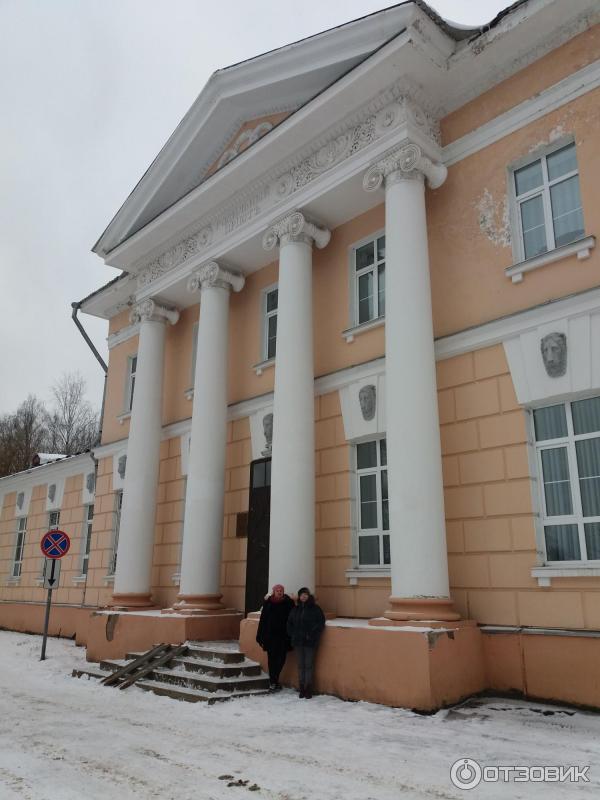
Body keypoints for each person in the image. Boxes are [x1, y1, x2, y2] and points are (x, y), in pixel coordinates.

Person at [286, 587, 326, 699]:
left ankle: (308, 688)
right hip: (298, 642)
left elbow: (320, 623)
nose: (303, 596)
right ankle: (302, 687)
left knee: (308, 665)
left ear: (309, 596)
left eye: (305, 594)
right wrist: (293, 634)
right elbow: (289, 623)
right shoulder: (296, 609)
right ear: (299, 597)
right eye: (301, 595)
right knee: (300, 665)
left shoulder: (315, 609)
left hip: (310, 642)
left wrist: (312, 634)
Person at [256, 584, 294, 691]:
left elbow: (293, 619)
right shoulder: (268, 603)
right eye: (277, 590)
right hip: (270, 637)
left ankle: (274, 679)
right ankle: (273, 681)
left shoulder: (288, 603)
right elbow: (263, 620)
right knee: (272, 660)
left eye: (281, 590)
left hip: (284, 636)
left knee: (281, 659)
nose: (279, 592)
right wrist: (259, 635)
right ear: (274, 592)